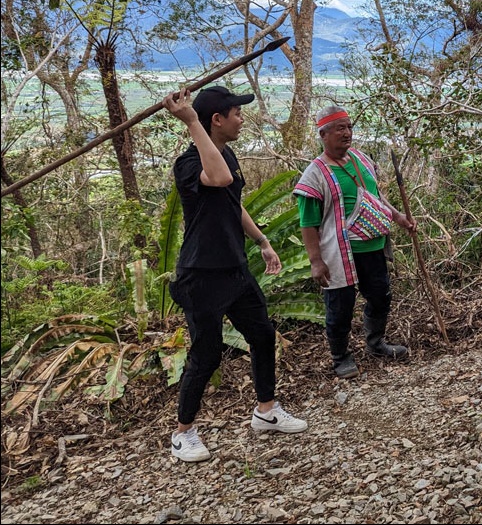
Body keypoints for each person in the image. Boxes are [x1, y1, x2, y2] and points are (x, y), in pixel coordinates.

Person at [164, 85, 307, 463]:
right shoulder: (190, 164)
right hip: (201, 275)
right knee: (206, 355)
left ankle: (266, 410)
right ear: (217, 119)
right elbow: (220, 180)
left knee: (262, 335)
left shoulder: (226, 154)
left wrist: (261, 240)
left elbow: (233, 202)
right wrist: (191, 120)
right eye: (237, 114)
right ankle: (183, 433)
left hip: (235, 269)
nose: (242, 120)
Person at [293, 105, 415, 379]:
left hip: (372, 247)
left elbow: (376, 199)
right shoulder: (315, 174)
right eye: (340, 128)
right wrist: (315, 261)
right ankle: (340, 357)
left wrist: (399, 218)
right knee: (340, 307)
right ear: (323, 134)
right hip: (339, 253)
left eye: (349, 127)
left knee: (381, 296)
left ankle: (375, 343)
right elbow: (308, 222)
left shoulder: (361, 159)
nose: (347, 133)